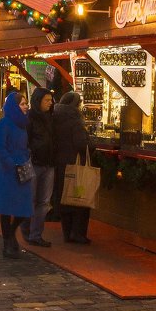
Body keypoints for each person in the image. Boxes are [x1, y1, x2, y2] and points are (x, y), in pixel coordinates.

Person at [0, 91, 34, 259]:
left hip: (23, 168)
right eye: (22, 104)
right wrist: (11, 162)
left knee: (23, 209)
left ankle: (10, 234)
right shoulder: (4, 124)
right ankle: (7, 242)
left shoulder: (23, 124)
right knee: (6, 208)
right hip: (8, 171)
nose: (25, 107)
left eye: (25, 104)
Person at [52, 91, 96, 244]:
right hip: (76, 167)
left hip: (60, 164)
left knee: (64, 198)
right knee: (79, 198)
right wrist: (91, 144)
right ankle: (78, 233)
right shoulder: (75, 120)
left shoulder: (55, 117)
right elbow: (81, 143)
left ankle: (67, 232)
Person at [22, 87, 55, 247]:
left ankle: (36, 234)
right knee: (31, 199)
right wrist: (30, 154)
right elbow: (25, 141)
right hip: (34, 163)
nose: (50, 103)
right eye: (47, 100)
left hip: (49, 164)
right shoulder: (29, 119)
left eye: (51, 100)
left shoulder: (51, 118)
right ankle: (27, 229)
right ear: (38, 101)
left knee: (44, 201)